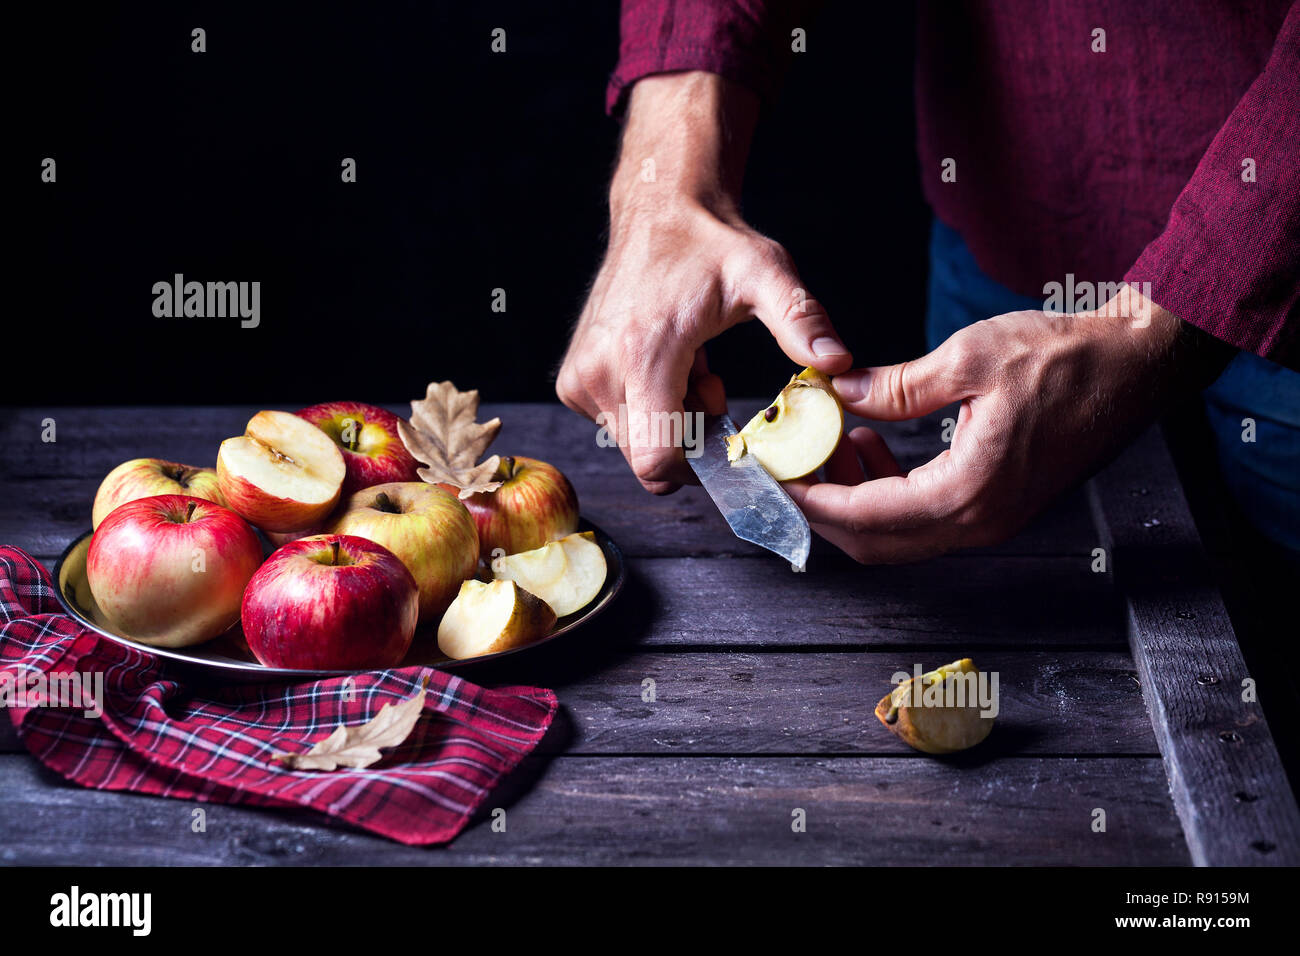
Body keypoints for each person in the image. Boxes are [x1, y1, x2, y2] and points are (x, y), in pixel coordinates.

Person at [557, 1, 1299, 563]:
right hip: (1007, 242)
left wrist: (1170, 315)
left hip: (1285, 293)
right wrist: (665, 192)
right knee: (1020, 589)